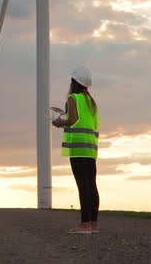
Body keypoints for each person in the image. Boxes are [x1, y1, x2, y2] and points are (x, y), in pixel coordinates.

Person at [52, 66, 100, 234]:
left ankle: (84, 225)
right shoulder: (91, 102)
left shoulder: (73, 98)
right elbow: (83, 120)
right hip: (90, 148)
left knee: (83, 186)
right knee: (92, 185)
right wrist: (65, 115)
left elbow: (72, 120)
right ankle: (93, 224)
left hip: (78, 148)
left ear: (74, 82)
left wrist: (59, 122)